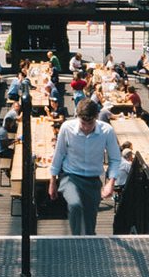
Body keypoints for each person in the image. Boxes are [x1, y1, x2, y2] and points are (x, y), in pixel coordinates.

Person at [48, 99, 123, 236]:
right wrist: (52, 181)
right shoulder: (67, 128)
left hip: (93, 181)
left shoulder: (107, 131)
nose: (87, 127)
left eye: (90, 123)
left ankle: (88, 245)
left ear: (96, 118)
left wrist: (110, 183)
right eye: (83, 123)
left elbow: (115, 158)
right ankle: (76, 241)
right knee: (75, 205)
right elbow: (59, 153)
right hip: (70, 176)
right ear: (77, 117)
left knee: (89, 226)